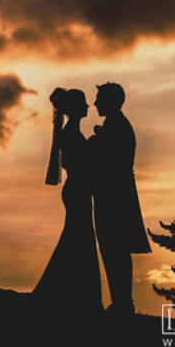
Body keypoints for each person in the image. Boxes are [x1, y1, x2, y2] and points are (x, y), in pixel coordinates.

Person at [33, 87, 102, 318]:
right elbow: (80, 163)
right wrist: (95, 145)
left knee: (78, 238)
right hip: (77, 191)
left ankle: (72, 292)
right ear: (74, 108)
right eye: (83, 103)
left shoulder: (71, 131)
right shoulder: (71, 133)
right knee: (80, 237)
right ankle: (73, 294)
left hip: (78, 190)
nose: (88, 106)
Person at [89, 82, 151, 317]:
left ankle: (123, 303)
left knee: (115, 247)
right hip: (114, 194)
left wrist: (96, 143)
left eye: (99, 98)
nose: (95, 103)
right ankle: (122, 301)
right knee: (113, 247)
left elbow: (110, 162)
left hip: (115, 196)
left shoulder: (117, 126)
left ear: (111, 101)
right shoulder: (114, 125)